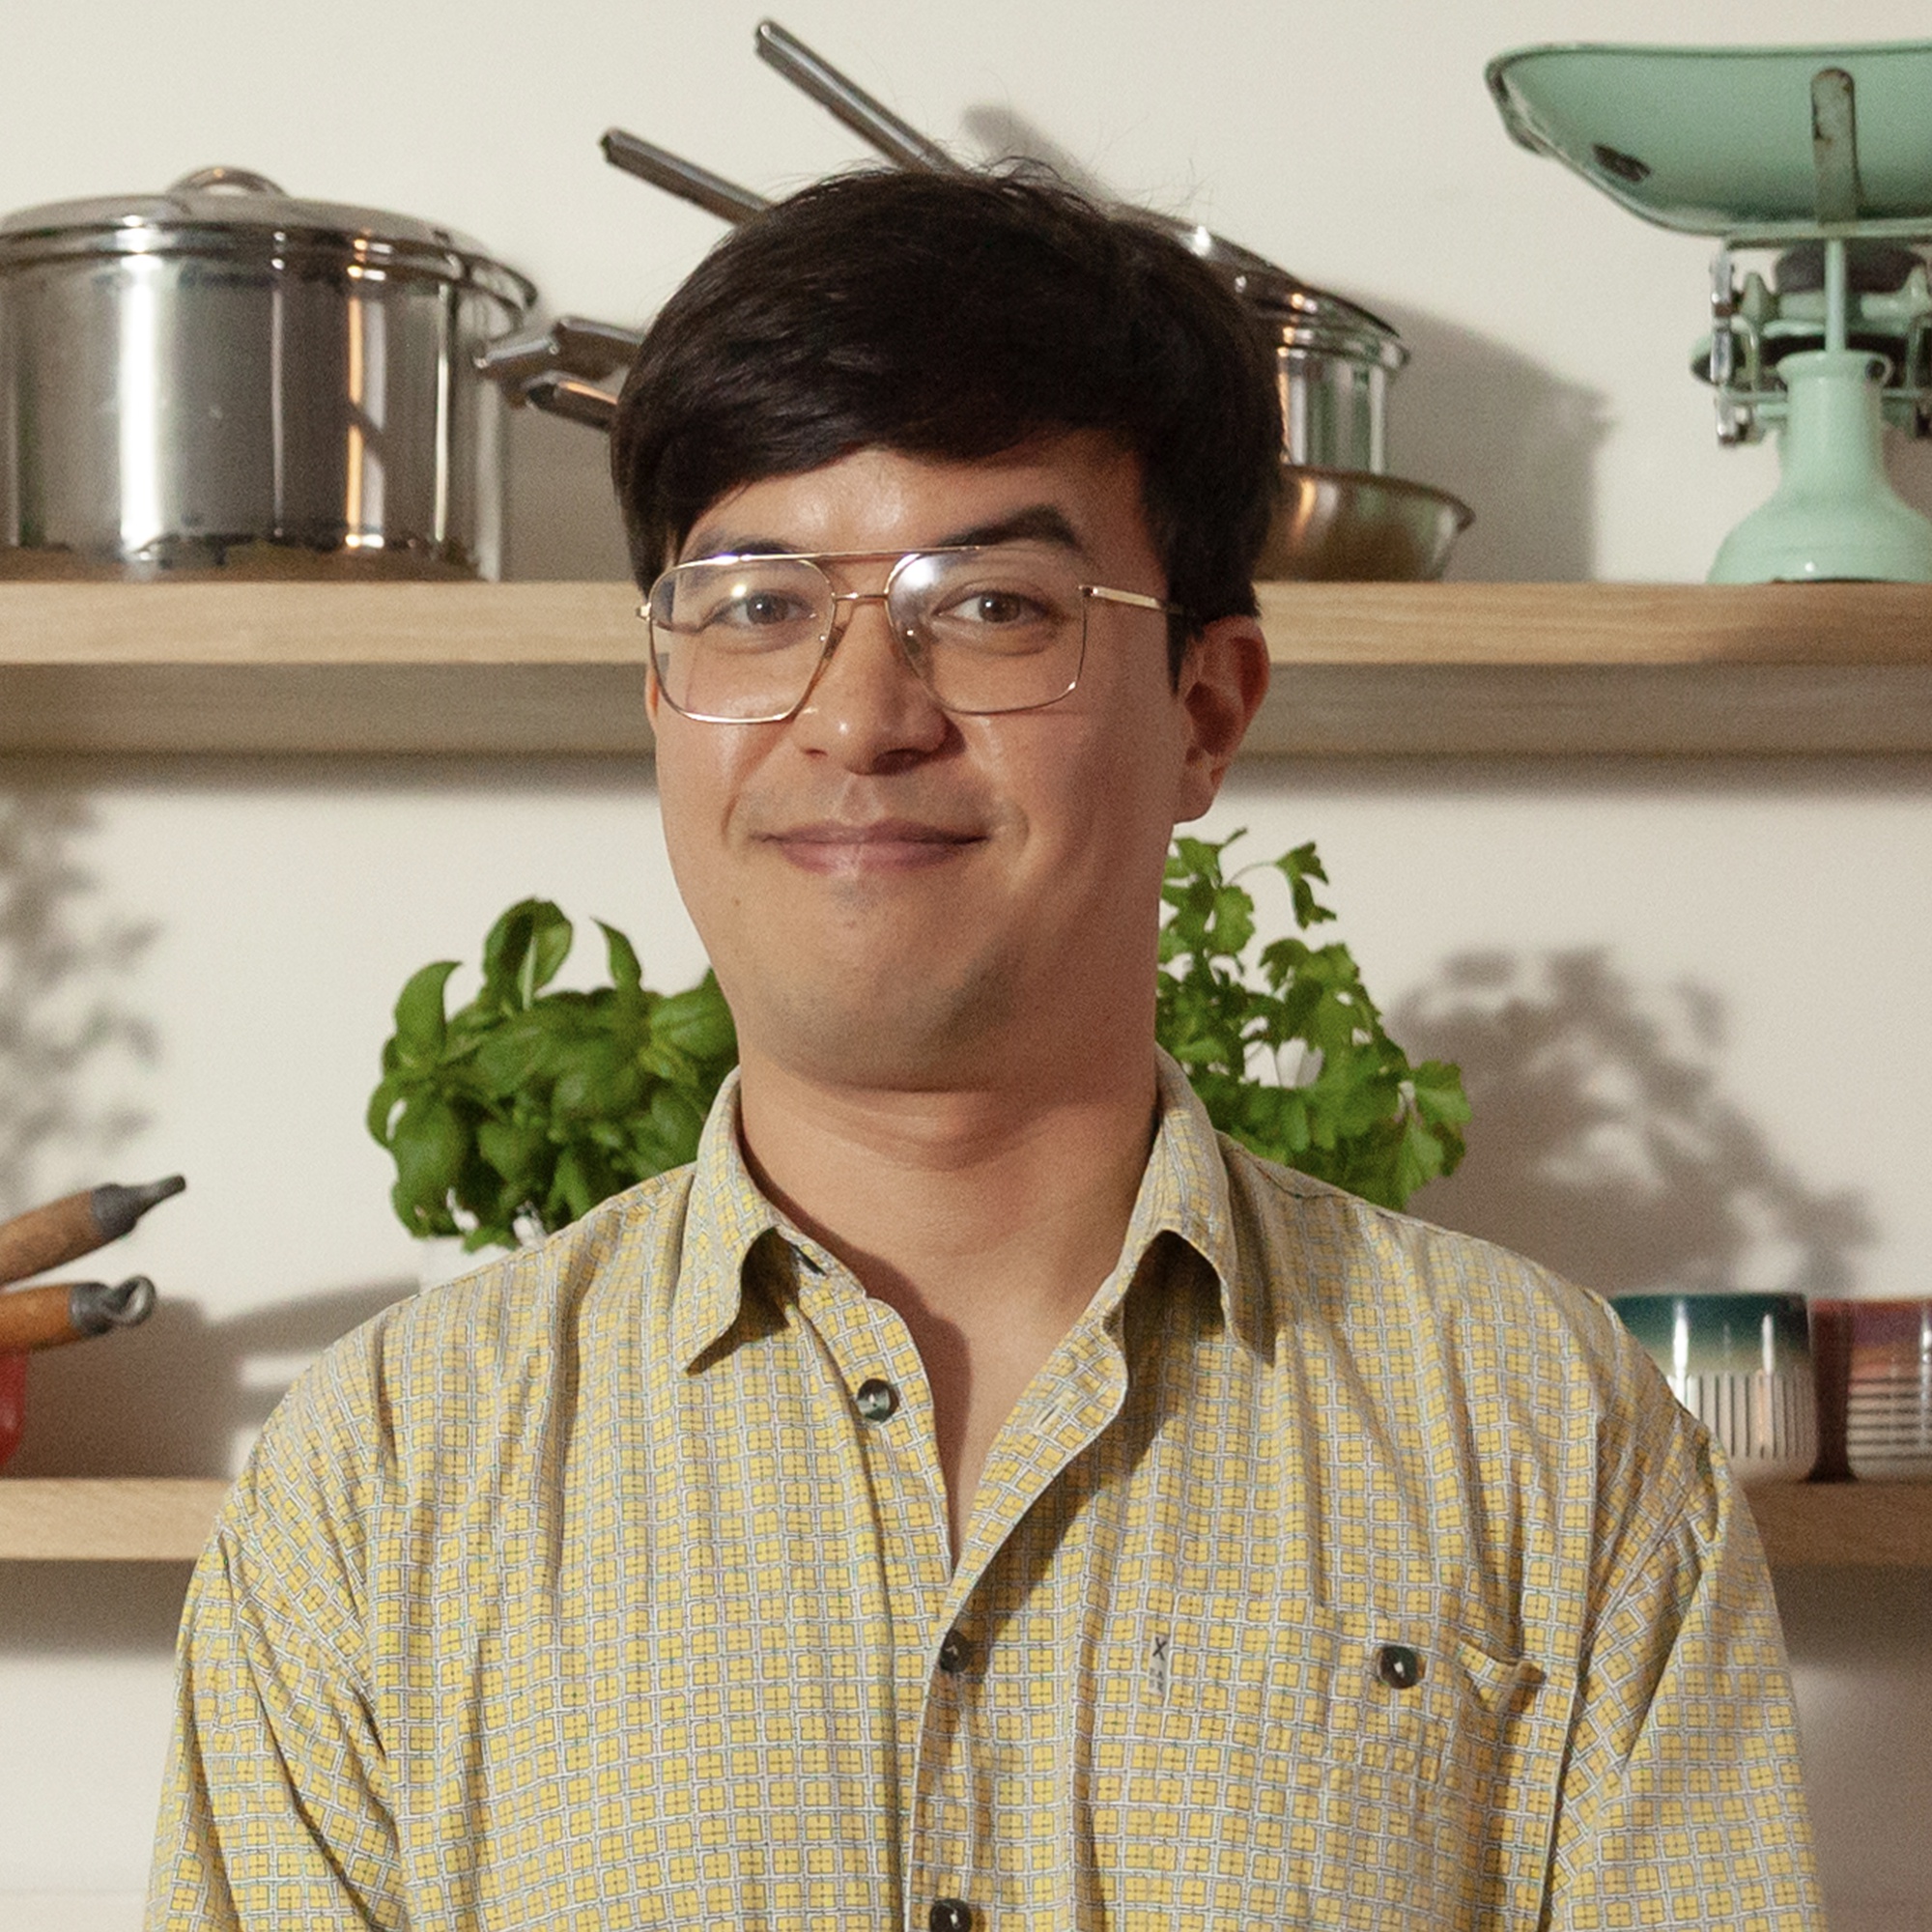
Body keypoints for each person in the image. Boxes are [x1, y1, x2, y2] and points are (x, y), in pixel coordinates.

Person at [149, 168, 1820, 1930]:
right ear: (660, 695)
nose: (862, 715)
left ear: (1207, 708)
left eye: (993, 608)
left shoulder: (1541, 1435)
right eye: (756, 605)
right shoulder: (391, 1469)